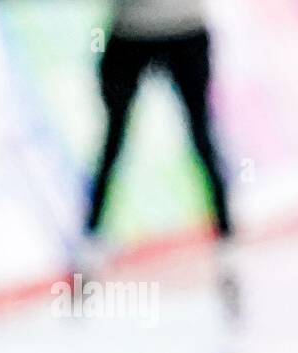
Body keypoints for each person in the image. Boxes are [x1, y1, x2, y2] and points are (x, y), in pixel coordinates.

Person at [85, 0, 232, 244]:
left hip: (184, 28)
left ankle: (226, 234)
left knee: (202, 135)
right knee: (114, 141)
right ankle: (92, 237)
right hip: (131, 32)